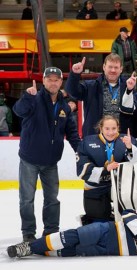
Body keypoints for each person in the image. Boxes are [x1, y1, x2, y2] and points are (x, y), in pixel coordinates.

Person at [13, 67, 81, 243]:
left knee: (52, 199)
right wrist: (28, 96)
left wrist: (81, 151)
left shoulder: (64, 106)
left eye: (56, 79)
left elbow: (72, 133)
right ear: (44, 81)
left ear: (61, 82)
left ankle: (51, 231)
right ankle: (28, 232)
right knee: (26, 199)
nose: (53, 82)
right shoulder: (33, 99)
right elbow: (18, 111)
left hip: (51, 162)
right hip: (29, 159)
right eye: (49, 79)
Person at [7, 203, 137, 258]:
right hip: (108, 231)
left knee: (70, 251)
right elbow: (127, 212)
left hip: (110, 250)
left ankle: (38, 250)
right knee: (72, 236)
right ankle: (29, 248)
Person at [76, 115, 137, 225]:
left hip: (120, 188)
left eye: (114, 129)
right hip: (96, 188)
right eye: (107, 129)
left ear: (118, 128)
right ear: (101, 128)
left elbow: (136, 164)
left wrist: (130, 148)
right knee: (98, 224)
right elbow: (82, 170)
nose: (110, 132)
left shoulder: (127, 140)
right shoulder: (87, 142)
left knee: (125, 221)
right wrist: (105, 170)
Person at [66, 53, 137, 137]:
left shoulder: (129, 86)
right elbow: (73, 91)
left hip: (120, 137)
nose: (113, 70)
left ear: (121, 69)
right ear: (104, 67)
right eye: (110, 67)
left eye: (116, 67)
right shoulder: (91, 86)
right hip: (95, 136)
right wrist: (74, 74)